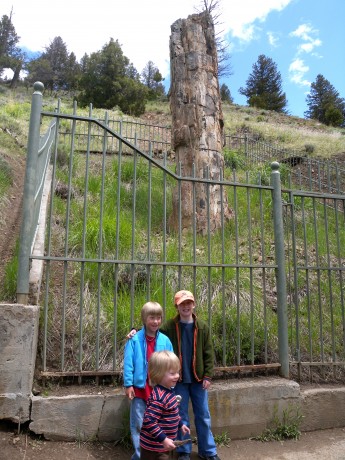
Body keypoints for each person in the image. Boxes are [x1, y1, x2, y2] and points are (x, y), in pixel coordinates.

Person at [128, 290, 220, 460]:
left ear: (193, 304)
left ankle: (208, 451)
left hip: (198, 379)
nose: (186, 307)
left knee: (204, 415)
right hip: (178, 380)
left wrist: (208, 375)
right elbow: (150, 328)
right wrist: (134, 331)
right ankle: (183, 451)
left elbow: (208, 353)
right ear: (177, 307)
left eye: (188, 303)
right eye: (182, 304)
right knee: (180, 415)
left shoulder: (203, 327)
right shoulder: (169, 326)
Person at [124, 301, 173, 460]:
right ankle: (140, 456)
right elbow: (128, 363)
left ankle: (157, 455)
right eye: (152, 317)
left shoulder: (165, 340)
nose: (156, 321)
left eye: (159, 318)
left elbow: (171, 363)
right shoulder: (134, 339)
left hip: (158, 392)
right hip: (140, 390)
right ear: (144, 319)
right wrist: (128, 384)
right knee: (139, 425)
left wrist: (170, 385)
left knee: (157, 425)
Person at [140, 350, 190, 460]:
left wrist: (180, 424)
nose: (177, 376)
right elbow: (149, 420)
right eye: (172, 373)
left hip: (165, 445)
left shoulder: (169, 391)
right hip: (154, 448)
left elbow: (172, 412)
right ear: (158, 374)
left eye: (178, 372)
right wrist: (163, 439)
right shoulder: (159, 397)